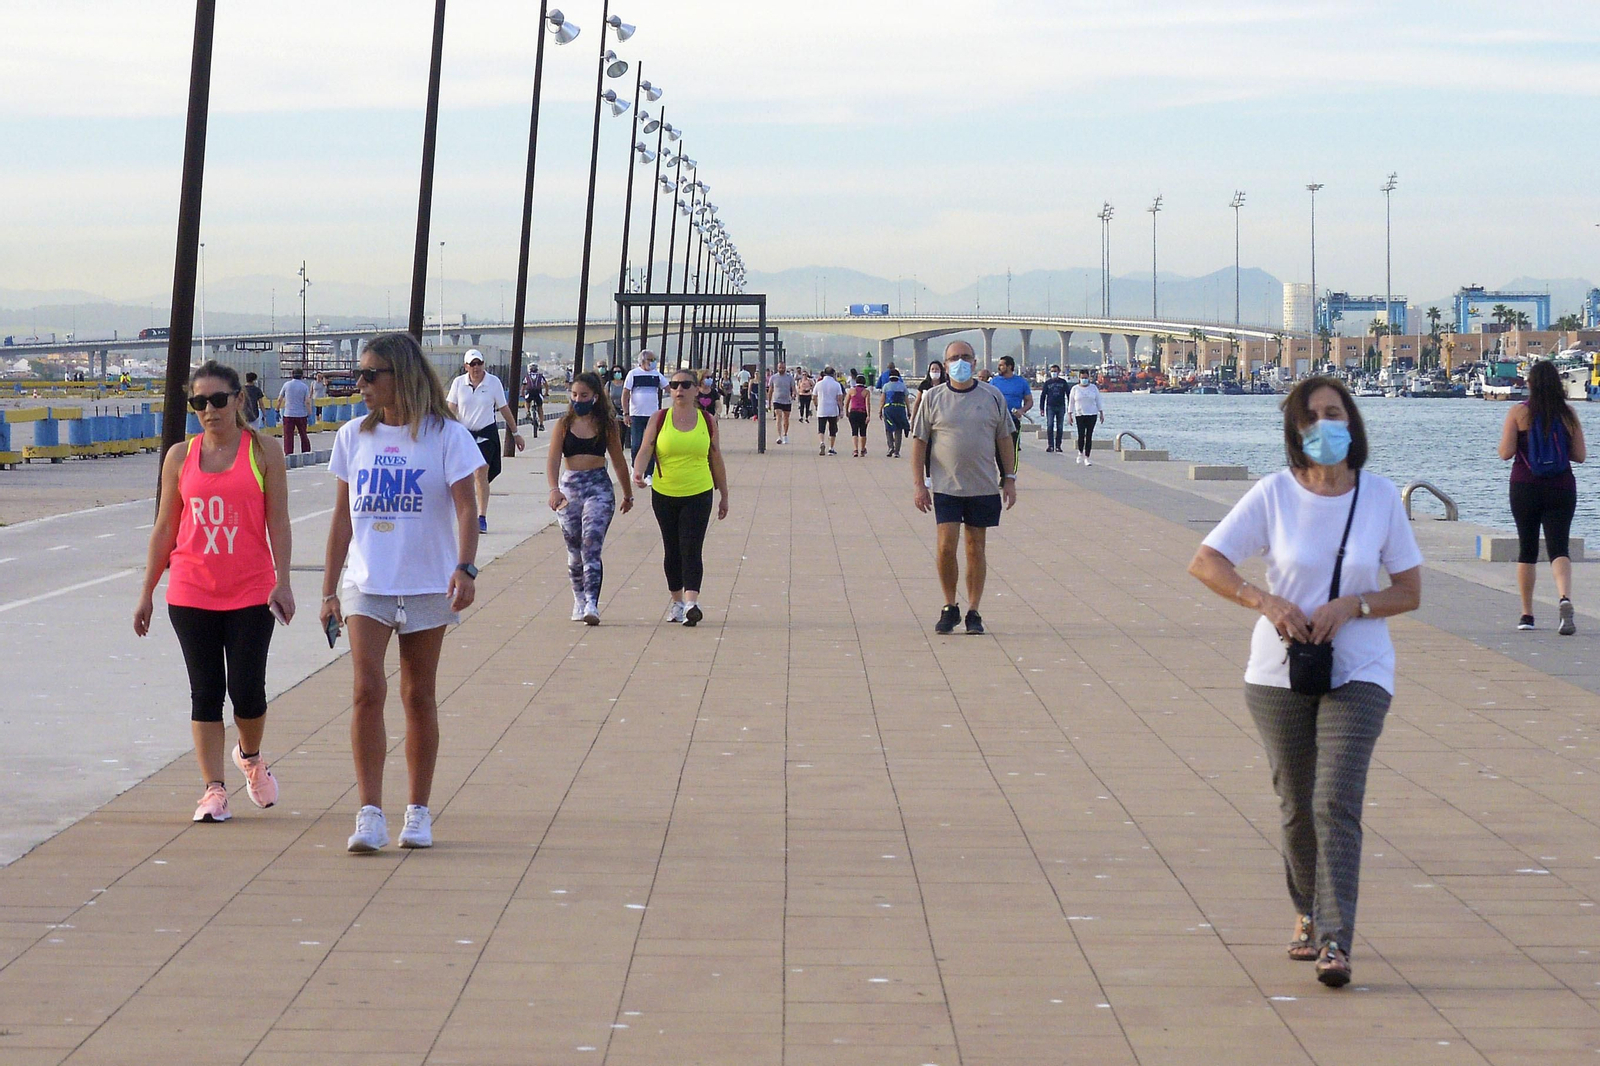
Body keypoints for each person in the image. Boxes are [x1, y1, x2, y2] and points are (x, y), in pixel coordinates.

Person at [1187, 376, 1423, 988]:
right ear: (1296, 431)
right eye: (1311, 417)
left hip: (1360, 669)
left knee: (1334, 799)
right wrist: (1263, 600)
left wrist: (1354, 606)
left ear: (1352, 422)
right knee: (1296, 803)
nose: (1324, 426)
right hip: (1278, 671)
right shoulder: (1274, 494)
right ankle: (1306, 910)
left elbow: (1409, 590)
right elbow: (1206, 561)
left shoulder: (1379, 497)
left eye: (1334, 413)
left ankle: (1336, 941)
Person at [322, 332, 485, 854]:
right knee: (366, 690)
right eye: (359, 374)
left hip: (427, 581)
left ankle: (418, 810)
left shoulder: (446, 435)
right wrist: (328, 591)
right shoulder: (352, 436)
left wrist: (465, 567)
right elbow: (342, 519)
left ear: (402, 376)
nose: (361, 383)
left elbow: (466, 507)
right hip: (366, 583)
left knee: (418, 695)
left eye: (371, 374)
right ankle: (369, 813)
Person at [135, 360, 293, 823]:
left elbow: (278, 521)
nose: (209, 410)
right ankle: (214, 790)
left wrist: (284, 580)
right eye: (199, 402)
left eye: (218, 400)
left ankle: (251, 756)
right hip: (191, 591)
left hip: (251, 591)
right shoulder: (180, 457)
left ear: (238, 400)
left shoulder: (264, 451)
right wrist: (147, 591)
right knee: (205, 693)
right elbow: (165, 527)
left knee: (247, 692)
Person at [910, 341, 1017, 636]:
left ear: (974, 362)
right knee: (946, 547)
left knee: (975, 548)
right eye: (954, 358)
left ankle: (973, 610)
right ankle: (949, 605)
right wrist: (919, 484)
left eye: (965, 357)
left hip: (982, 485)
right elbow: (919, 442)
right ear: (945, 365)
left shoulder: (992, 396)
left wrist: (1009, 478)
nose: (960, 362)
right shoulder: (933, 398)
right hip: (946, 485)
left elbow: (1005, 439)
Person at [633, 367, 730, 626]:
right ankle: (676, 602)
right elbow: (646, 448)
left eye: (686, 385)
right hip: (665, 493)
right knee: (672, 548)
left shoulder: (707, 420)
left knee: (691, 546)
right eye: (674, 385)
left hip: (699, 492)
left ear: (696, 389)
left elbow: (716, 457)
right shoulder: (659, 418)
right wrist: (638, 472)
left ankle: (691, 603)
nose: (679, 390)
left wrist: (724, 494)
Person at [1498, 359, 1587, 633]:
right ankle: (1564, 598)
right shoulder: (1568, 414)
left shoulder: (1518, 412)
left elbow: (1505, 452)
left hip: (1525, 486)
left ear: (1531, 384)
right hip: (1561, 487)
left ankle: (1527, 615)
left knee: (1527, 549)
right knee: (1559, 547)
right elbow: (1580, 456)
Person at [547, 371, 634, 625]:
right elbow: (553, 460)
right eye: (574, 395)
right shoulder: (563, 425)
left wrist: (627, 494)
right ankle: (579, 599)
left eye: (583, 395)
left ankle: (592, 604)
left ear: (595, 397)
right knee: (574, 550)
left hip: (598, 487)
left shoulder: (607, 425)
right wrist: (553, 489)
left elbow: (618, 461)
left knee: (591, 544)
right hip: (570, 488)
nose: (578, 400)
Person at [447, 350, 524, 534]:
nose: (476, 368)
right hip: (465, 436)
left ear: (483, 364)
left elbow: (504, 409)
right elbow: (450, 409)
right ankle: (465, 514)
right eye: (472, 364)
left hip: (486, 434)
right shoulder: (458, 383)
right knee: (462, 476)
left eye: (479, 363)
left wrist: (516, 433)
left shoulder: (493, 382)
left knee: (480, 473)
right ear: (466, 366)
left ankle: (481, 517)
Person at [622, 350, 666, 464]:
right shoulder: (633, 374)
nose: (653, 362)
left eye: (654, 360)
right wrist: (626, 413)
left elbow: (668, 388)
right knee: (636, 444)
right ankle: (635, 465)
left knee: (651, 443)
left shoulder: (657, 375)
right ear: (642, 361)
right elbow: (625, 394)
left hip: (652, 415)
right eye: (650, 360)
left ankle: (649, 470)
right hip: (636, 414)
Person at [991, 355, 1034, 462]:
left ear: (1009, 366)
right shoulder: (994, 382)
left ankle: (1010, 471)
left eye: (1001, 365)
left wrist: (1022, 410)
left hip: (1013, 421)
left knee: (1012, 450)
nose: (999, 367)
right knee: (997, 452)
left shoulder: (1021, 382)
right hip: (997, 421)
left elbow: (1029, 401)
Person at [1067, 367, 1105, 465]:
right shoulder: (1075, 389)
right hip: (1080, 414)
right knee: (1081, 435)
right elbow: (1071, 402)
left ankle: (1087, 457)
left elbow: (1098, 400)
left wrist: (1101, 413)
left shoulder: (1093, 388)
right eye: (1082, 378)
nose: (1084, 379)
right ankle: (1080, 452)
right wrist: (1069, 414)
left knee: (1089, 435)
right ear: (1079, 378)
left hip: (1092, 414)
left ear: (1089, 378)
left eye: (1086, 378)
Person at [277, 369, 313, 455]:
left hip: (288, 414)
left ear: (292, 375)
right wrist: (310, 414)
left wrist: (277, 410)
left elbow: (279, 399)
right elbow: (307, 402)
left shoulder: (286, 385)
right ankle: (306, 452)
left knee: (288, 436)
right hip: (301, 414)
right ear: (302, 375)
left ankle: (288, 453)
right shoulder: (304, 387)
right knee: (303, 435)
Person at [813, 365, 845, 456]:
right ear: (833, 374)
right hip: (833, 409)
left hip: (822, 409)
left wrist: (816, 405)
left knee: (821, 429)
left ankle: (822, 442)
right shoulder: (836, 384)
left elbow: (814, 396)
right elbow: (839, 398)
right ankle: (831, 448)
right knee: (832, 430)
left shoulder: (819, 384)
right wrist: (841, 410)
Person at [1039, 364, 1071, 453]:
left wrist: (1070, 407)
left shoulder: (1063, 382)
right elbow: (1043, 396)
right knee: (1050, 425)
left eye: (1055, 371)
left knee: (1060, 427)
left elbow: (1068, 394)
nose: (1053, 373)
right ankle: (1050, 445)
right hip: (1050, 406)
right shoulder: (1047, 383)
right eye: (1052, 371)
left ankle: (1058, 446)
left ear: (1059, 372)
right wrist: (1041, 408)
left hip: (1061, 406)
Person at [881, 370, 910, 458]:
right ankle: (897, 451)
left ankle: (890, 447)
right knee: (898, 430)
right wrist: (909, 411)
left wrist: (880, 410)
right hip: (900, 409)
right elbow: (906, 400)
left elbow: (882, 400)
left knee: (888, 428)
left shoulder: (886, 386)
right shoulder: (903, 386)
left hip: (889, 408)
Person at [768, 362, 796, 444]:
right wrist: (769, 402)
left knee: (786, 418)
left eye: (783, 368)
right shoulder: (773, 378)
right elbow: (770, 390)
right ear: (777, 368)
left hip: (787, 400)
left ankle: (785, 434)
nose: (781, 369)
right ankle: (779, 436)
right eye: (780, 368)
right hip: (777, 400)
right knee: (778, 416)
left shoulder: (790, 377)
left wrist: (794, 394)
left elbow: (793, 388)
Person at [846, 374, 872, 457]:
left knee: (854, 431)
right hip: (862, 413)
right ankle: (862, 449)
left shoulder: (851, 391)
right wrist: (868, 415)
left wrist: (846, 411)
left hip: (853, 412)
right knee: (863, 432)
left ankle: (855, 450)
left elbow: (847, 402)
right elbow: (867, 404)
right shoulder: (866, 392)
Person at [911, 361, 945, 425]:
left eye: (937, 369)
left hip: (940, 418)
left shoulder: (945, 385)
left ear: (941, 371)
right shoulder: (924, 384)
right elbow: (917, 403)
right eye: (932, 369)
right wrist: (912, 419)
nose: (934, 371)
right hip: (925, 417)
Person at [523, 363, 548, 437]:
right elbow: (546, 385)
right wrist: (546, 393)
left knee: (527, 402)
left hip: (529, 392)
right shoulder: (540, 376)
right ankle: (541, 424)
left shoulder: (527, 376)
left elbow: (523, 387)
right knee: (540, 407)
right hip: (538, 392)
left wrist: (522, 394)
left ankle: (527, 412)